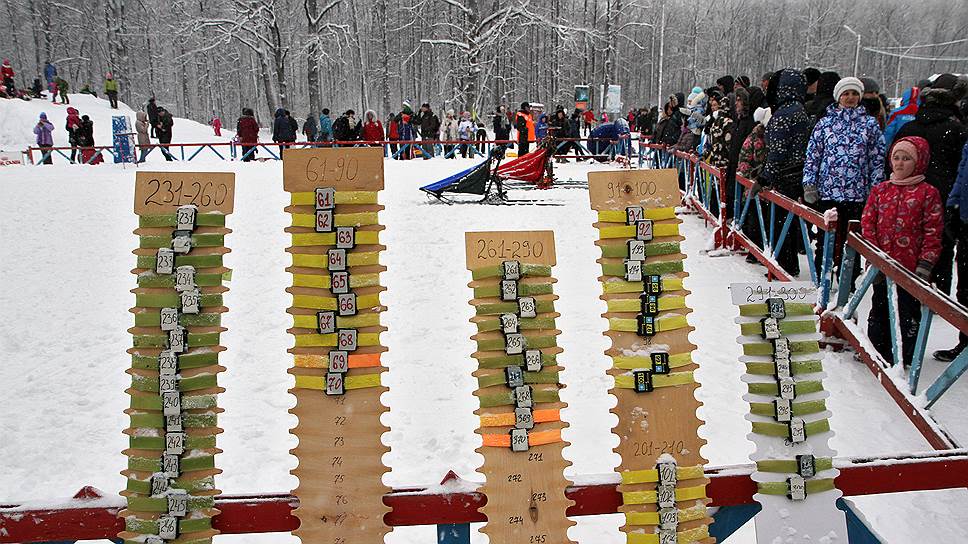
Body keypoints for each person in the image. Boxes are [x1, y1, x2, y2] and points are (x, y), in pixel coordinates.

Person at [863, 136, 943, 367]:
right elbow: (869, 224)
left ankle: (905, 355)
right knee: (880, 307)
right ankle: (875, 350)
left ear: (918, 162)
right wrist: (873, 257)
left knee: (907, 311)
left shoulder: (928, 193)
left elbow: (933, 231)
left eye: (906, 159)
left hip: (910, 267)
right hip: (882, 264)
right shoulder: (880, 190)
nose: (899, 163)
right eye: (896, 158)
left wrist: (925, 264)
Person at [802, 76, 885, 286]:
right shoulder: (825, 123)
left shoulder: (869, 124)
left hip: (857, 193)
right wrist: (809, 182)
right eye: (846, 94)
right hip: (828, 191)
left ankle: (848, 284)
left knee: (853, 242)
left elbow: (876, 159)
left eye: (854, 94)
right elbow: (813, 155)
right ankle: (822, 281)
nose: (850, 98)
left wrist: (876, 189)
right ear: (839, 96)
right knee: (826, 240)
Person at [895, 75, 968, 294]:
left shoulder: (909, 127)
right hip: (944, 195)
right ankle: (938, 294)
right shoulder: (957, 130)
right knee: (939, 243)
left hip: (905, 195)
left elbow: (891, 158)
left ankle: (904, 284)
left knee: (906, 238)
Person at [758, 69, 814, 277]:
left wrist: (764, 177)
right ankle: (788, 264)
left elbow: (778, 151)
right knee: (789, 225)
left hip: (785, 177)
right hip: (797, 175)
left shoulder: (784, 115)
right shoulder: (800, 110)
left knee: (781, 224)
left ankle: (783, 267)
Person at [937, 140, 968, 361]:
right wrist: (953, 206)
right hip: (966, 221)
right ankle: (965, 343)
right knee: (965, 288)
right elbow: (961, 175)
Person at [703, 90, 733, 171]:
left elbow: (728, 143)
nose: (713, 108)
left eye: (716, 105)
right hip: (714, 158)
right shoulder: (714, 120)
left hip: (722, 161)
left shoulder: (727, 122)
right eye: (712, 105)